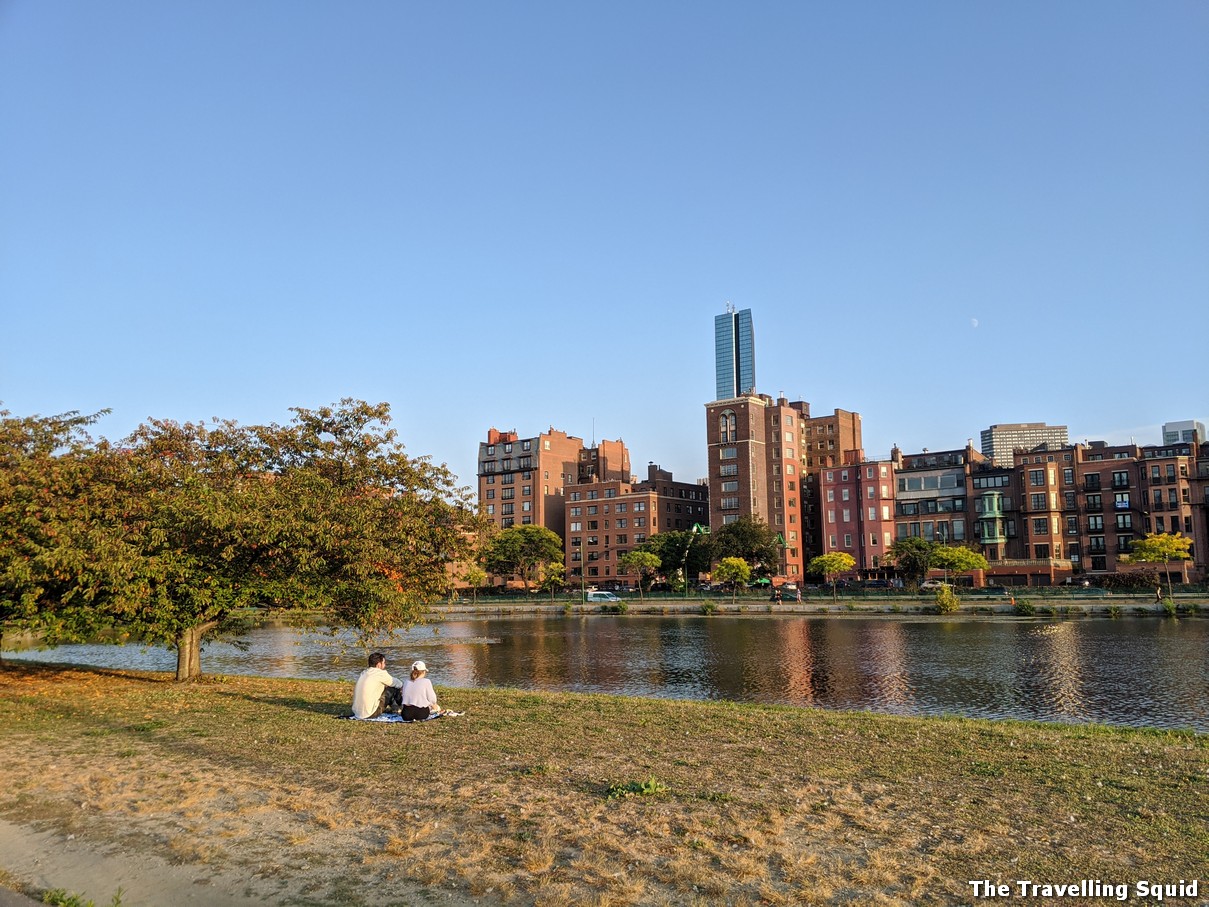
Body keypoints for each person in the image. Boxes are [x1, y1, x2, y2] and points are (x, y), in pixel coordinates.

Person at [351, 653, 404, 719]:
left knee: (388, 686)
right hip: (370, 714)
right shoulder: (379, 673)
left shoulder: (364, 673)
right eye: (384, 663)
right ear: (379, 664)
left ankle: (396, 707)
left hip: (357, 713)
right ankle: (402, 708)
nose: (385, 665)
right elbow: (399, 684)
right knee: (393, 688)